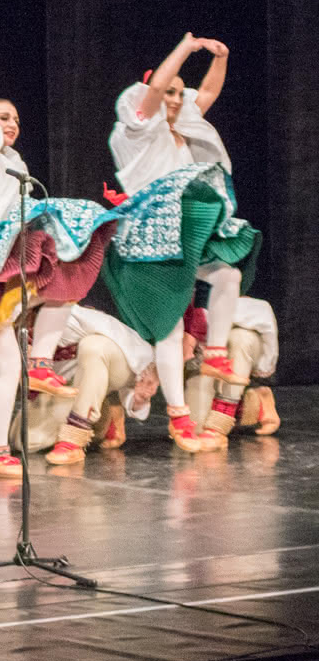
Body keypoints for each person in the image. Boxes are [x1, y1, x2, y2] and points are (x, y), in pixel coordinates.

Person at [0, 40, 117, 476]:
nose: (11, 124)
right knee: (67, 265)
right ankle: (41, 362)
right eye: (2, 117)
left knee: (6, 367)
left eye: (15, 118)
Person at [102, 33, 260, 453]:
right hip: (151, 233)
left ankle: (216, 350)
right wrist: (186, 48)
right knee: (170, 328)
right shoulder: (138, 129)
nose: (175, 99)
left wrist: (220, 58)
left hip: (186, 230)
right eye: (170, 93)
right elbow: (155, 89)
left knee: (227, 274)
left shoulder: (184, 128)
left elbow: (205, 92)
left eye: (178, 94)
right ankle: (179, 417)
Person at [13, 305, 158, 464]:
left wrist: (150, 370)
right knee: (24, 440)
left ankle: (74, 436)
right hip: (71, 381)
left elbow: (117, 332)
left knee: (93, 346)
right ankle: (102, 413)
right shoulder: (5, 331)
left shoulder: (65, 314)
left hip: (112, 358)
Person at [183, 298, 280, 445]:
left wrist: (260, 376)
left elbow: (264, 315)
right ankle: (250, 404)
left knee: (240, 338)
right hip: (199, 359)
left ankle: (224, 412)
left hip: (238, 343)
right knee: (195, 431)